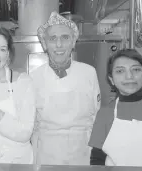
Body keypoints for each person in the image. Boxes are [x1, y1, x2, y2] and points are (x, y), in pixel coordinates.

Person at [30, 11, 101, 165]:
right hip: (46, 154)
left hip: (82, 152)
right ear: (44, 44)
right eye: (52, 39)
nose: (59, 45)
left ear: (74, 42)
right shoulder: (33, 78)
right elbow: (30, 123)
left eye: (65, 37)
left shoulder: (89, 73)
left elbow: (96, 116)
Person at [0, 27, 35, 164]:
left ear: (8, 54)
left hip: (17, 161)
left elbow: (24, 133)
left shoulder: (23, 82)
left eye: (2, 49)